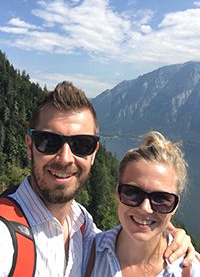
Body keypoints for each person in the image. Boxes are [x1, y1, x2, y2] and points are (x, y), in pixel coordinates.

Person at [0, 82, 198, 277]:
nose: (65, 158)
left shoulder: (82, 224)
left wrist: (170, 235)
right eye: (49, 142)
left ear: (93, 153)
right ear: (29, 146)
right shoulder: (5, 237)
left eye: (81, 144)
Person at [83, 131, 200, 276]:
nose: (145, 208)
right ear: (117, 194)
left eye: (161, 199)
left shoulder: (189, 271)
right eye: (132, 192)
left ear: (174, 206)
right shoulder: (84, 254)